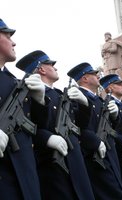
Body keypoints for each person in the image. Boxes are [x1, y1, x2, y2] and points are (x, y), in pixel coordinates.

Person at [16, 51, 95, 200]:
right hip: (53, 163)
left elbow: (81, 126)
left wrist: (85, 105)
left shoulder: (60, 95)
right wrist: (47, 138)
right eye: (51, 64)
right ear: (42, 69)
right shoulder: (28, 94)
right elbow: (26, 126)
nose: (56, 68)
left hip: (74, 159)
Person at [0, 19, 49, 200]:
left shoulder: (14, 82)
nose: (13, 42)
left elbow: (38, 126)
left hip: (26, 178)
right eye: (7, 35)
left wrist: (39, 100)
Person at [67, 63, 122, 200]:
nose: (98, 75)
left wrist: (115, 116)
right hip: (94, 155)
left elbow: (112, 126)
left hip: (108, 151)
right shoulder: (77, 96)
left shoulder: (99, 100)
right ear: (85, 78)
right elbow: (76, 125)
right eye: (94, 74)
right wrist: (95, 142)